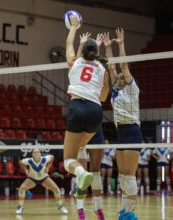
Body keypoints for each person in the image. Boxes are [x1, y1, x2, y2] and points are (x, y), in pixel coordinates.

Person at [63, 13, 109, 213]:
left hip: (77, 107)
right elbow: (105, 96)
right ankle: (84, 198)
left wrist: (74, 28)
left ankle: (81, 173)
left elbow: (67, 45)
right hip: (95, 112)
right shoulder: (101, 68)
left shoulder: (75, 62)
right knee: (81, 145)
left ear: (82, 51)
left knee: (67, 161)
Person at [105, 28, 141, 219]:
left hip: (133, 131)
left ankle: (131, 212)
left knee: (130, 174)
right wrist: (107, 47)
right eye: (117, 77)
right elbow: (111, 67)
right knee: (122, 176)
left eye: (121, 76)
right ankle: (125, 209)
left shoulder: (132, 88)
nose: (118, 77)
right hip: (120, 132)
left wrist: (120, 44)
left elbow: (123, 66)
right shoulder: (115, 91)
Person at [15, 149, 68, 215]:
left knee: (56, 190)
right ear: (32, 154)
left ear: (40, 154)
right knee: (22, 189)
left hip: (44, 178)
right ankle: (20, 206)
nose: (36, 153)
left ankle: (61, 206)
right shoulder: (29, 160)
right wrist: (25, 169)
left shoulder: (44, 159)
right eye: (34, 152)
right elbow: (20, 162)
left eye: (38, 152)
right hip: (32, 179)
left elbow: (52, 157)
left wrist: (48, 167)